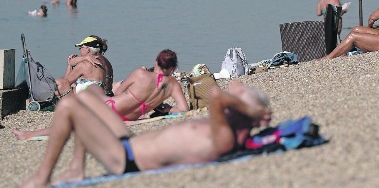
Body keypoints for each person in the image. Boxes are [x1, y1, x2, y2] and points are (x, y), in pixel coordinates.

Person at [19, 80, 271, 188]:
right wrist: (248, 103)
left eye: (238, 102)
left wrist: (250, 108)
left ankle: (42, 178)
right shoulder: (226, 124)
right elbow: (232, 91)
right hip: (130, 143)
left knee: (68, 106)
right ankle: (77, 168)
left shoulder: (226, 136)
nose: (232, 100)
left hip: (125, 160)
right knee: (85, 95)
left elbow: (217, 95)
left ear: (243, 113)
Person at [14, 49, 189, 140]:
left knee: (80, 114)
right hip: (126, 117)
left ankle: (30, 134)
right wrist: (165, 108)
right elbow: (183, 109)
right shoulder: (173, 84)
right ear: (173, 68)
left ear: (155, 62)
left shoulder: (141, 74)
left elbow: (117, 92)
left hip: (110, 107)